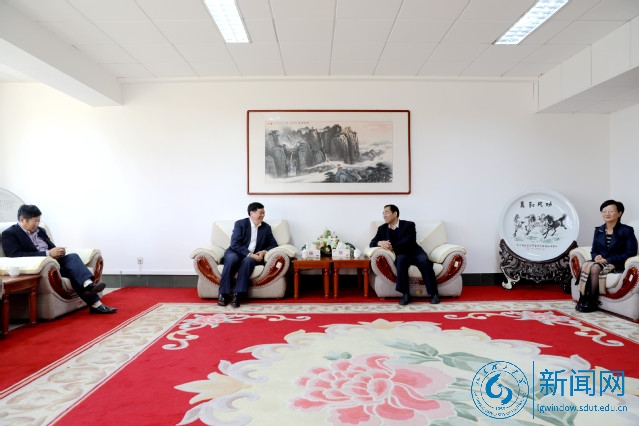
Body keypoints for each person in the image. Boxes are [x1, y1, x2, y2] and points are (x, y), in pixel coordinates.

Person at [1, 204, 117, 314]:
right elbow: (15, 255)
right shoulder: (10, 233)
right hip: (42, 266)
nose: (37, 224)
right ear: (22, 220)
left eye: (38, 221)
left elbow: (51, 247)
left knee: (73, 257)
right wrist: (47, 254)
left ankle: (88, 285)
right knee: (72, 273)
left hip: (54, 261)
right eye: (34, 221)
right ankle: (96, 305)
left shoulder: (41, 230)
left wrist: (59, 251)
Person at [369, 204, 440, 305]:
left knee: (424, 262)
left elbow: (409, 240)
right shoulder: (382, 229)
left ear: (395, 214)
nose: (384, 215)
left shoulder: (409, 225)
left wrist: (392, 246)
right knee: (401, 260)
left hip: (415, 252)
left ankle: (434, 293)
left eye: (387, 212)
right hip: (401, 254)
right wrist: (380, 242)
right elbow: (372, 243)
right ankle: (406, 294)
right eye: (383, 213)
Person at [576, 200, 638, 312]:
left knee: (595, 267)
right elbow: (594, 250)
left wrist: (608, 260)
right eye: (604, 211)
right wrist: (596, 257)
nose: (607, 214)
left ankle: (592, 301)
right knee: (587, 265)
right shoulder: (599, 230)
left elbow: (631, 253)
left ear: (619, 213)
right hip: (601, 262)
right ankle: (583, 298)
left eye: (611, 211)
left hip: (617, 263)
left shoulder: (626, 231)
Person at [218, 202, 278, 308]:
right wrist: (249, 254)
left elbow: (273, 244)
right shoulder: (240, 224)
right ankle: (223, 294)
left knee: (247, 261)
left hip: (252, 257)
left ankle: (237, 294)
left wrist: (263, 251)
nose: (263, 215)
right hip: (235, 252)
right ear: (251, 213)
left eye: (264, 213)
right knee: (231, 259)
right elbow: (235, 244)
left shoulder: (266, 228)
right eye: (261, 213)